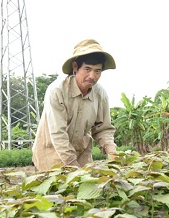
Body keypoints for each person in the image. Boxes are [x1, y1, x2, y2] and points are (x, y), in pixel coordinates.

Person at [32, 39, 117, 171]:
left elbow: (103, 128)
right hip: (51, 156)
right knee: (55, 190)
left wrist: (112, 153)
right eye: (87, 69)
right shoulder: (57, 91)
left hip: (81, 154)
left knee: (85, 189)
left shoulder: (100, 94)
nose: (92, 76)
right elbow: (58, 134)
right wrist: (73, 167)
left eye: (97, 71)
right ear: (75, 67)